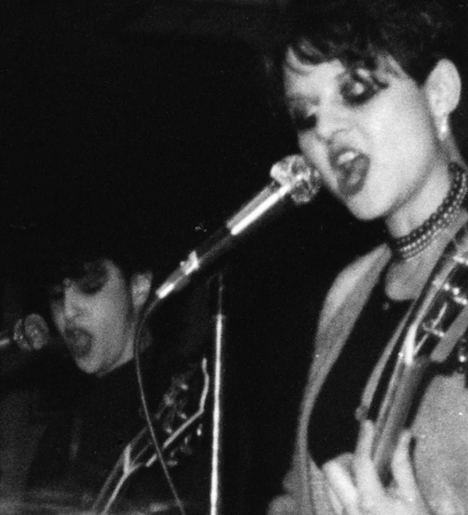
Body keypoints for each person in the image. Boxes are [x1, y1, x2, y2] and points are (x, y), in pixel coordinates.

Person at [266, 0, 468, 514]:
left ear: (439, 92)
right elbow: (301, 494)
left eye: (355, 91)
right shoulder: (347, 290)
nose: (325, 130)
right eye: (305, 116)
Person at [22, 219, 211, 514]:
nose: (68, 311)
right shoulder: (60, 434)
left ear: (138, 287)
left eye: (90, 285)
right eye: (57, 294)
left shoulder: (195, 390)